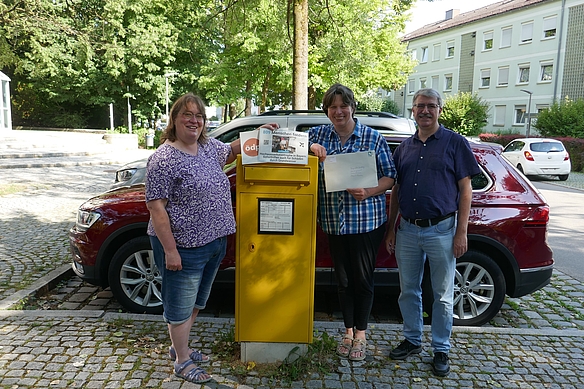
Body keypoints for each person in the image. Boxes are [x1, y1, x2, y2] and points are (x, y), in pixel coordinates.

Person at [145, 92, 277, 384]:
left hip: (213, 242)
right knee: (179, 305)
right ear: (175, 119)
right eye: (187, 115)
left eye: (199, 116)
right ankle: (181, 361)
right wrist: (170, 251)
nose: (194, 121)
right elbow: (156, 207)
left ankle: (180, 347)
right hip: (183, 245)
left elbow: (230, 151)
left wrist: (257, 134)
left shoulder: (205, 147)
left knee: (196, 302)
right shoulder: (163, 158)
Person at [384, 88, 480, 377]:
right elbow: (397, 190)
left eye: (430, 106)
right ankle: (413, 340)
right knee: (408, 291)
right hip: (408, 231)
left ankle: (441, 348)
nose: (424, 111)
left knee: (442, 294)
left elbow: (466, 190)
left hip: (442, 230)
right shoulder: (404, 148)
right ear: (412, 111)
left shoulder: (455, 143)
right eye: (419, 106)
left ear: (440, 109)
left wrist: (461, 232)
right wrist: (391, 229)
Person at [309, 83, 396, 361]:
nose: (338, 111)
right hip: (335, 221)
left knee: (363, 280)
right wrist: (310, 147)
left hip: (366, 221)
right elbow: (292, 144)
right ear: (327, 111)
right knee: (343, 281)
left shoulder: (372, 138)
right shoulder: (320, 134)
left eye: (343, 106)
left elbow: (390, 176)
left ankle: (361, 334)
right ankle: (347, 331)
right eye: (332, 107)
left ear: (352, 107)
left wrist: (369, 191)